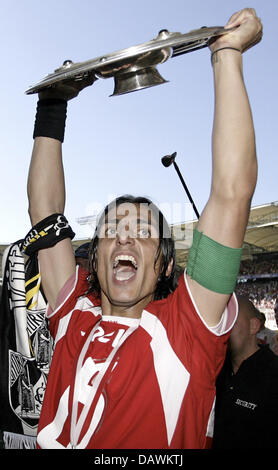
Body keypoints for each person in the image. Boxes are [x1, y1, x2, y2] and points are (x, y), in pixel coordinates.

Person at [26, 9, 262, 449]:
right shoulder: (74, 314)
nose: (124, 235)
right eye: (112, 227)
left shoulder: (187, 331)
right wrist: (52, 104)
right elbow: (44, 210)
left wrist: (227, 54)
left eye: (143, 229)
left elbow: (231, 192)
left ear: (166, 262)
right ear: (94, 256)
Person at [212, 296, 278, 448]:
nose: (224, 328)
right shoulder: (215, 371)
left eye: (231, 321)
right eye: (221, 321)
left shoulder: (273, 377)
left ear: (253, 326)